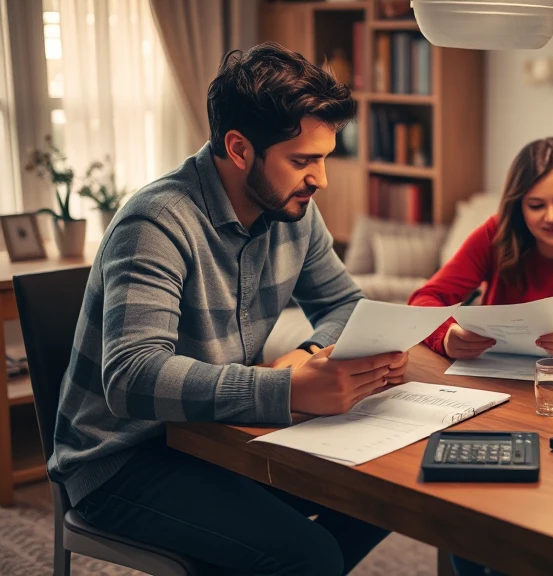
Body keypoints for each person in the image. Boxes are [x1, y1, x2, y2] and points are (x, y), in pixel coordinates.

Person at [52, 43, 403, 574]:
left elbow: (346, 304)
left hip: (223, 439)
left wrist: (306, 355)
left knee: (388, 493)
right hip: (125, 459)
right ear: (239, 149)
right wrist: (284, 390)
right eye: (303, 160)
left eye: (324, 158)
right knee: (307, 556)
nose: (320, 180)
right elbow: (130, 376)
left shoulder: (294, 212)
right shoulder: (156, 222)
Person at [409, 137, 553, 361]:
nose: (552, 217)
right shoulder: (495, 233)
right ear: (519, 206)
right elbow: (425, 298)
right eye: (536, 206)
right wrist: (446, 336)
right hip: (492, 373)